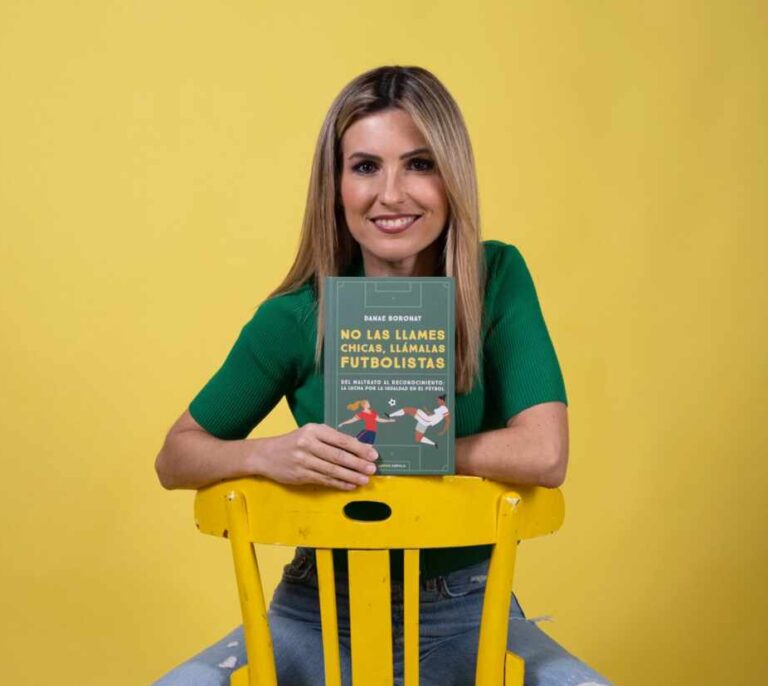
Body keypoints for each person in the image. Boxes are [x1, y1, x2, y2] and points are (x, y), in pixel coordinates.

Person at [153, 66, 611, 686]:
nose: (391, 194)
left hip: (467, 613)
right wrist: (270, 455)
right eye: (366, 166)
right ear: (335, 187)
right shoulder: (296, 315)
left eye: (419, 164)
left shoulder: (496, 278)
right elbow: (175, 457)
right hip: (314, 613)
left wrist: (410, 448)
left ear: (452, 178)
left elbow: (545, 453)